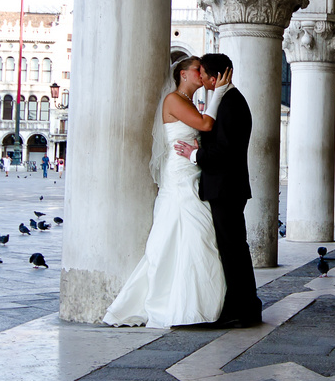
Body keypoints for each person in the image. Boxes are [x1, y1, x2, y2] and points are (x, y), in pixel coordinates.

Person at [104, 57, 227, 328]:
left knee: (196, 236)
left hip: (191, 172)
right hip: (179, 178)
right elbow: (205, 125)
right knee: (184, 234)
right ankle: (173, 304)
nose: (202, 73)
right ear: (183, 74)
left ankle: (193, 303)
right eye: (198, 69)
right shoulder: (173, 100)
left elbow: (201, 129)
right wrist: (218, 92)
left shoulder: (189, 103)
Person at [175, 52, 261, 327]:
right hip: (226, 187)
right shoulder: (226, 100)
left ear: (214, 78)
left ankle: (244, 309)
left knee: (233, 249)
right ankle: (244, 306)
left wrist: (193, 155)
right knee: (233, 248)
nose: (198, 77)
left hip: (226, 188)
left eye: (202, 73)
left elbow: (224, 151)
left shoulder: (230, 104)